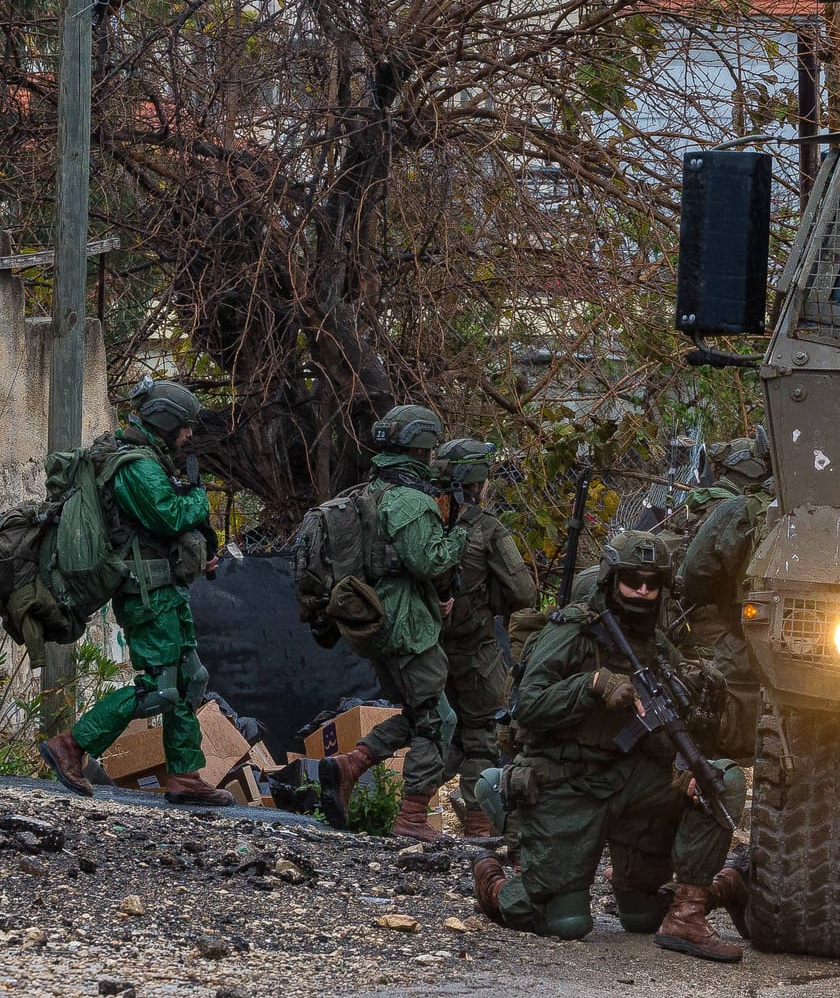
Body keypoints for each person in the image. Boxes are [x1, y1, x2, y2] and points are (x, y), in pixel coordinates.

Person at [473, 530, 748, 962]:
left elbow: (672, 729)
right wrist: (592, 684)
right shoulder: (573, 633)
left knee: (719, 781)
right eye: (631, 580)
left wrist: (686, 761)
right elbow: (527, 706)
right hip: (569, 782)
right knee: (566, 924)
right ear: (610, 579)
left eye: (651, 582)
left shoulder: (658, 648)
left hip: (629, 782)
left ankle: (688, 914)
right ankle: (494, 882)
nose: (641, 590)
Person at [39, 379, 232, 807]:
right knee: (158, 688)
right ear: (164, 420)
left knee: (188, 680)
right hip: (146, 595)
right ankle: (71, 744)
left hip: (167, 588)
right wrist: (199, 500)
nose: (188, 435)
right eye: (183, 426)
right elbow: (169, 515)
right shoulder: (135, 466)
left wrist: (197, 556)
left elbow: (158, 534)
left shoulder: (153, 461)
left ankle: (184, 775)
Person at [316, 404, 474, 841]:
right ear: (423, 446)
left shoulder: (372, 490)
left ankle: (352, 765)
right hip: (406, 624)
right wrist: (460, 530)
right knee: (438, 721)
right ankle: (411, 818)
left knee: (421, 713)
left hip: (376, 619)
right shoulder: (410, 499)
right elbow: (429, 559)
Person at [432, 438, 538, 837]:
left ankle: (405, 806)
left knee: (436, 730)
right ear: (478, 483)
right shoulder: (487, 529)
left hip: (426, 650)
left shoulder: (423, 522)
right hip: (477, 649)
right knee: (482, 734)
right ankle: (478, 824)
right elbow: (525, 594)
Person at [672, 435, 774, 759]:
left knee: (722, 708)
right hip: (833, 652)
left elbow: (694, 575)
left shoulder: (740, 510)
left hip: (746, 639)